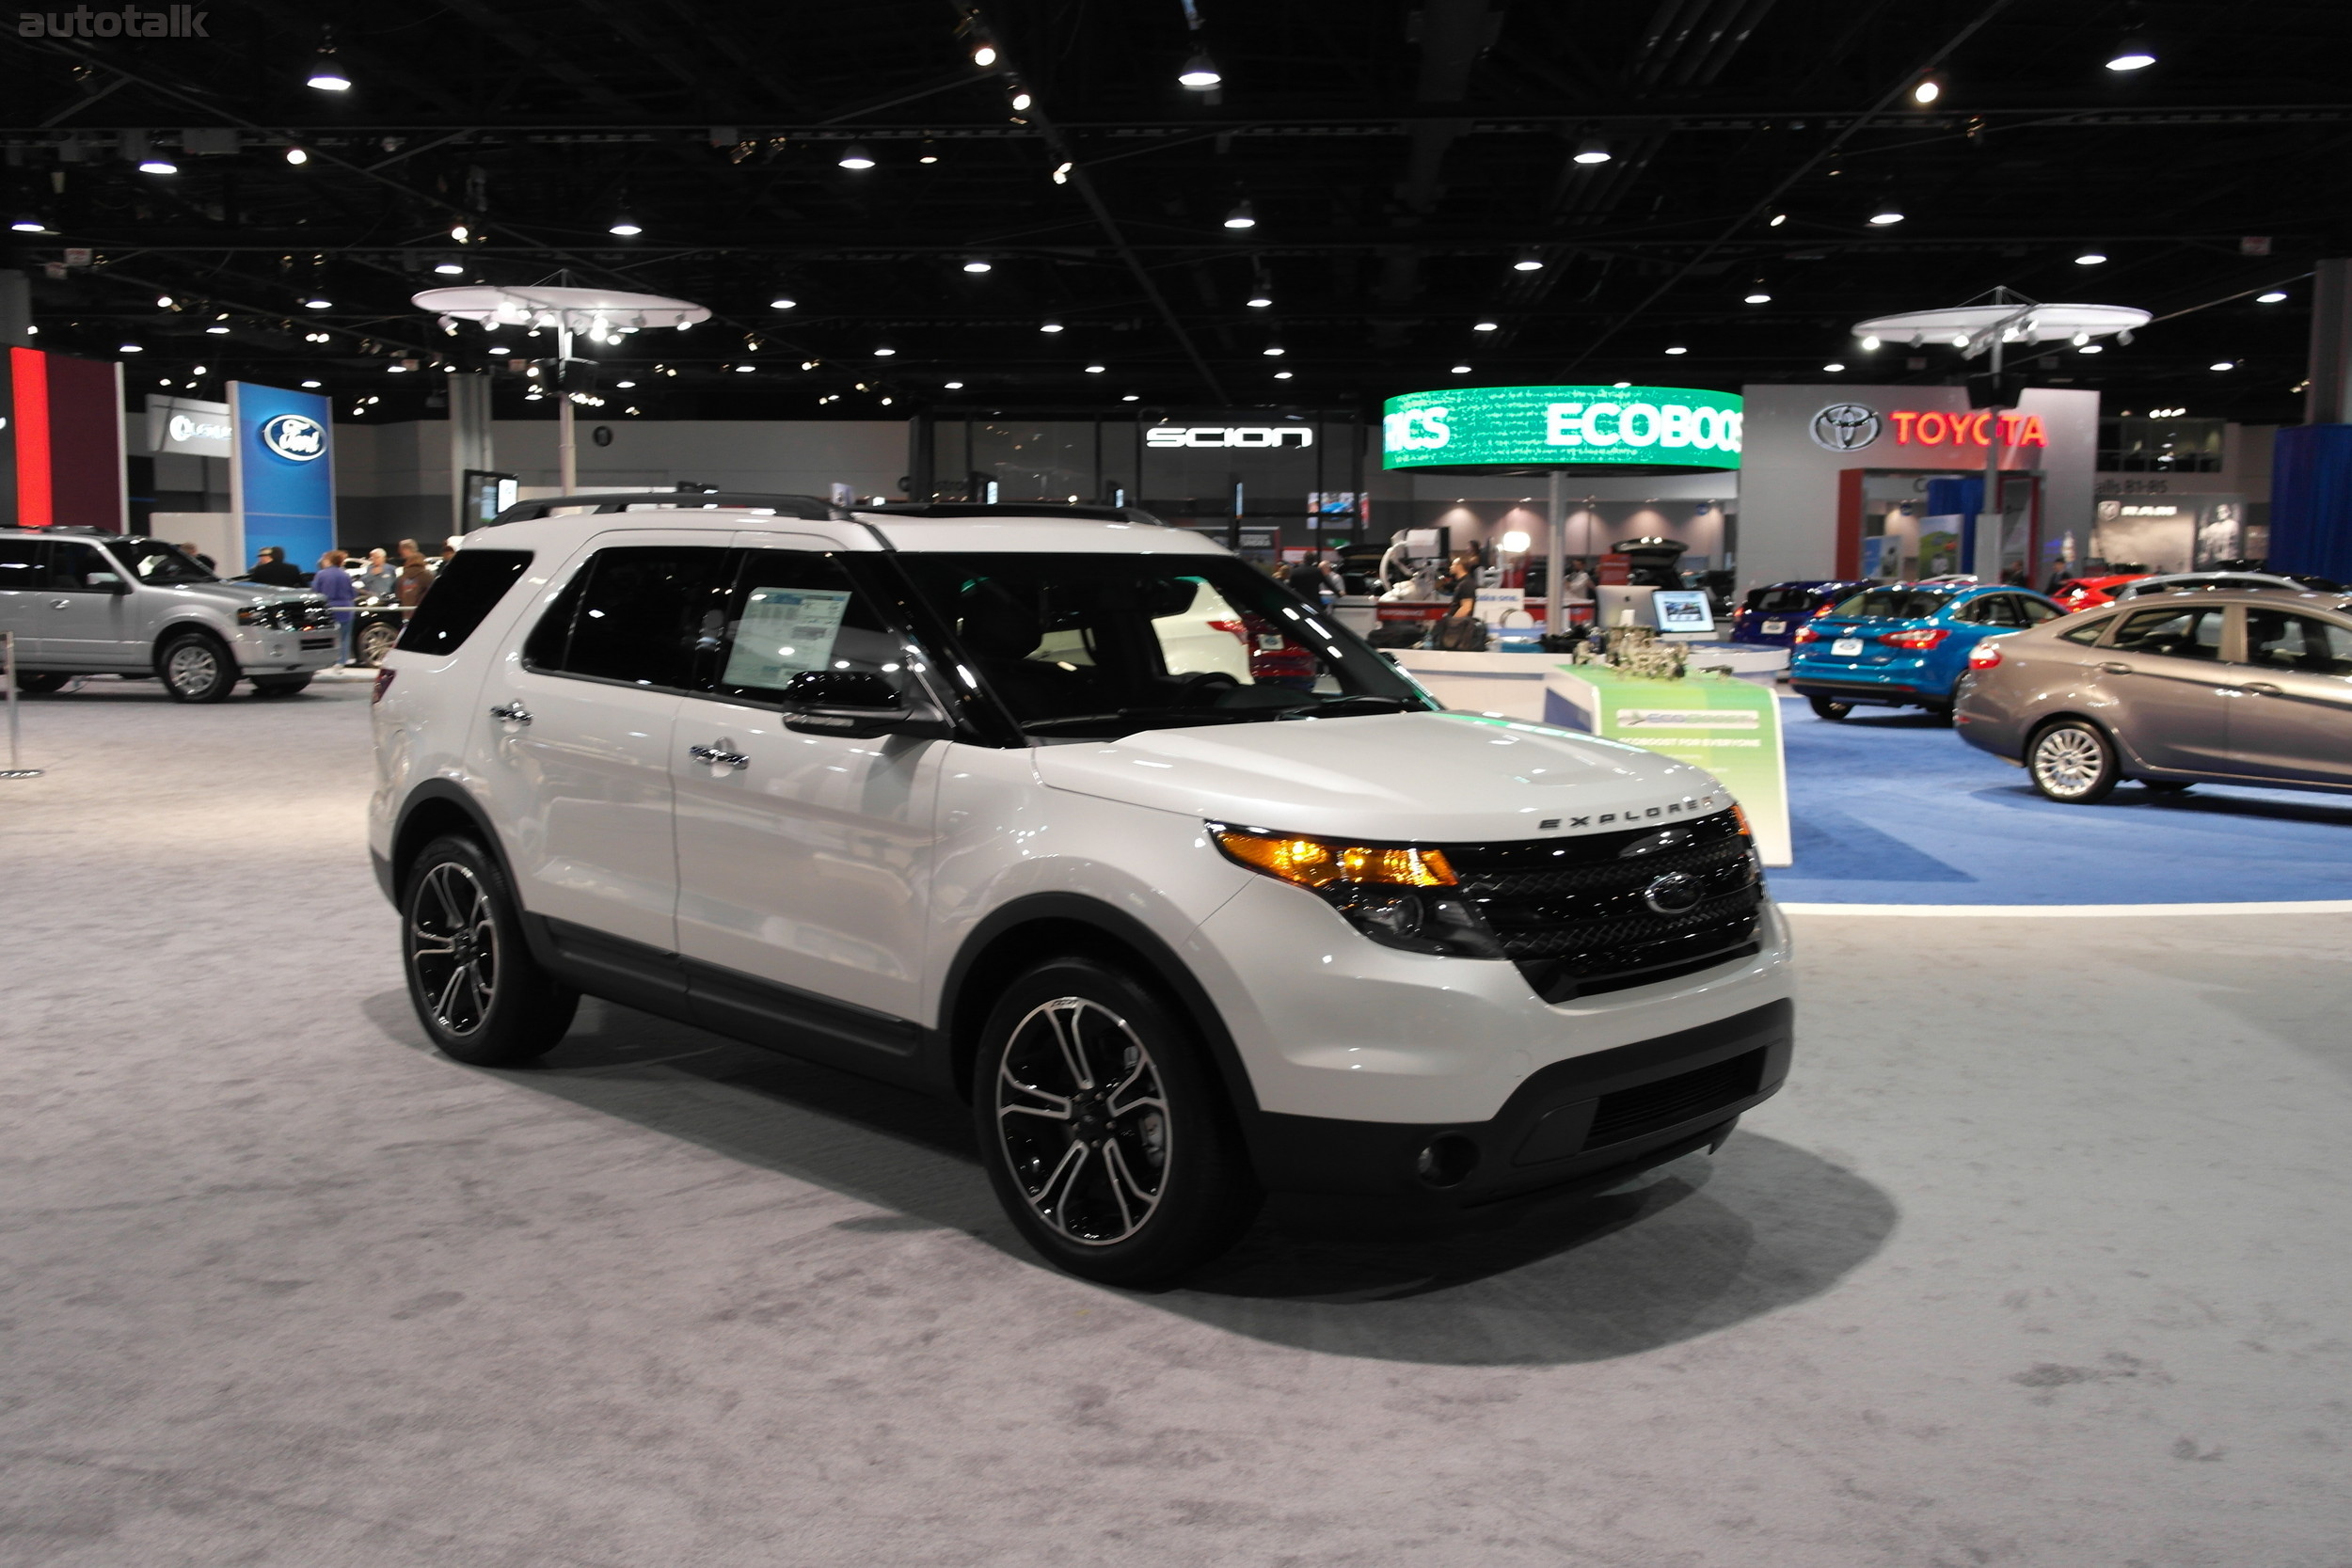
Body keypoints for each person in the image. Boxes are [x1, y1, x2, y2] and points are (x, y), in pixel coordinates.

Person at [312, 550, 358, 664]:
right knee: (344, 637)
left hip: (328, 609)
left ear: (329, 560)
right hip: (346, 609)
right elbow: (353, 594)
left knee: (325, 637)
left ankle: (325, 661)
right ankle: (341, 662)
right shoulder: (345, 574)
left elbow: (315, 592)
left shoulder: (321, 574)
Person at [244, 546, 308, 588]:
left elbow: (252, 586)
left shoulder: (260, 569)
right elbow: (304, 586)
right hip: (287, 601)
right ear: (283, 556)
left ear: (271, 556)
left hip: (266, 601)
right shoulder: (293, 569)